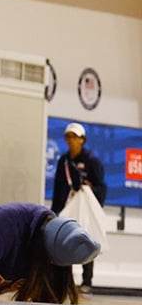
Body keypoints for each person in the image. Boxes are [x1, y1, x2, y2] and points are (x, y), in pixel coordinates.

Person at [50, 121, 107, 293]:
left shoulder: (92, 161)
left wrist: (90, 190)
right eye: (68, 136)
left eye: (75, 137)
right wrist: (54, 211)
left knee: (86, 239)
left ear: (82, 139)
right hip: (68, 206)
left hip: (85, 208)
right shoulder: (64, 161)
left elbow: (101, 186)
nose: (71, 140)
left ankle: (87, 281)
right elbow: (59, 186)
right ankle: (62, 280)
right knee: (62, 241)